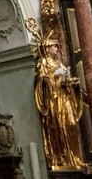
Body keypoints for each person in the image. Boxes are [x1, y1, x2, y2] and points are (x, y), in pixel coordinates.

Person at [34, 28, 84, 168]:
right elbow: (40, 81)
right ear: (47, 48)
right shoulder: (43, 63)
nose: (57, 48)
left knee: (71, 124)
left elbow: (64, 79)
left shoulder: (59, 63)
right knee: (60, 127)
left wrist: (71, 83)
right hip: (54, 101)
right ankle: (61, 157)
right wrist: (53, 76)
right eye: (54, 46)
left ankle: (73, 157)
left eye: (57, 46)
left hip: (64, 98)